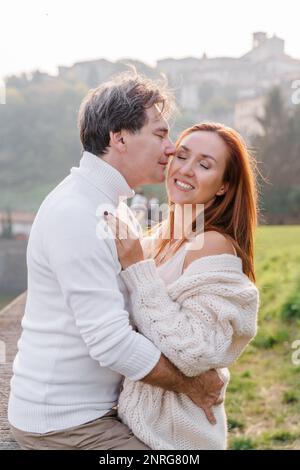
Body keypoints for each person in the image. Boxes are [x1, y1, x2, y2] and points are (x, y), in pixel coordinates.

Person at [8, 73, 223, 450]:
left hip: (94, 411)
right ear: (119, 137)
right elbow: (110, 342)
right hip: (65, 424)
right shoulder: (77, 214)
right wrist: (193, 384)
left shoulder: (108, 204)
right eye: (160, 134)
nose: (171, 148)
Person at [105, 122, 260, 449]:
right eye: (182, 156)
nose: (186, 170)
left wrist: (136, 266)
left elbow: (196, 350)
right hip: (135, 425)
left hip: (176, 438)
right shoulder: (154, 239)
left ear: (223, 186)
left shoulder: (211, 244)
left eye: (204, 165)